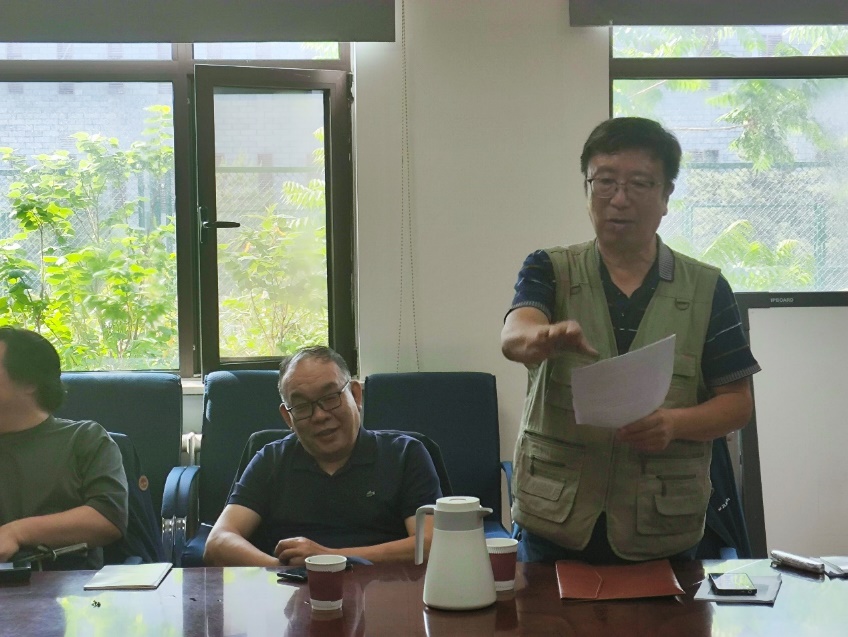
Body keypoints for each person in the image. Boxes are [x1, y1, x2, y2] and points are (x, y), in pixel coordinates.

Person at [501, 117, 760, 564]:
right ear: (587, 188)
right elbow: (514, 336)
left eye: (639, 183)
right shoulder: (549, 269)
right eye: (604, 181)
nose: (619, 199)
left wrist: (674, 424)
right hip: (554, 524)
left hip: (662, 531)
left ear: (666, 195)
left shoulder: (707, 289)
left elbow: (737, 403)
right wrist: (544, 337)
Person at [204, 346, 442, 566]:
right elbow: (218, 542)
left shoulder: (405, 455)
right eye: (301, 406)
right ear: (288, 418)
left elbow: (431, 544)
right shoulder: (271, 460)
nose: (319, 416)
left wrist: (329, 559)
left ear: (356, 395)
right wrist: (285, 571)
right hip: (292, 590)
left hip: (382, 589)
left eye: (330, 398)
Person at [0, 327, 128, 569]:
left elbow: (108, 518)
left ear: (29, 382)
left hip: (67, 584)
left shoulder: (84, 438)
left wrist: (16, 532)